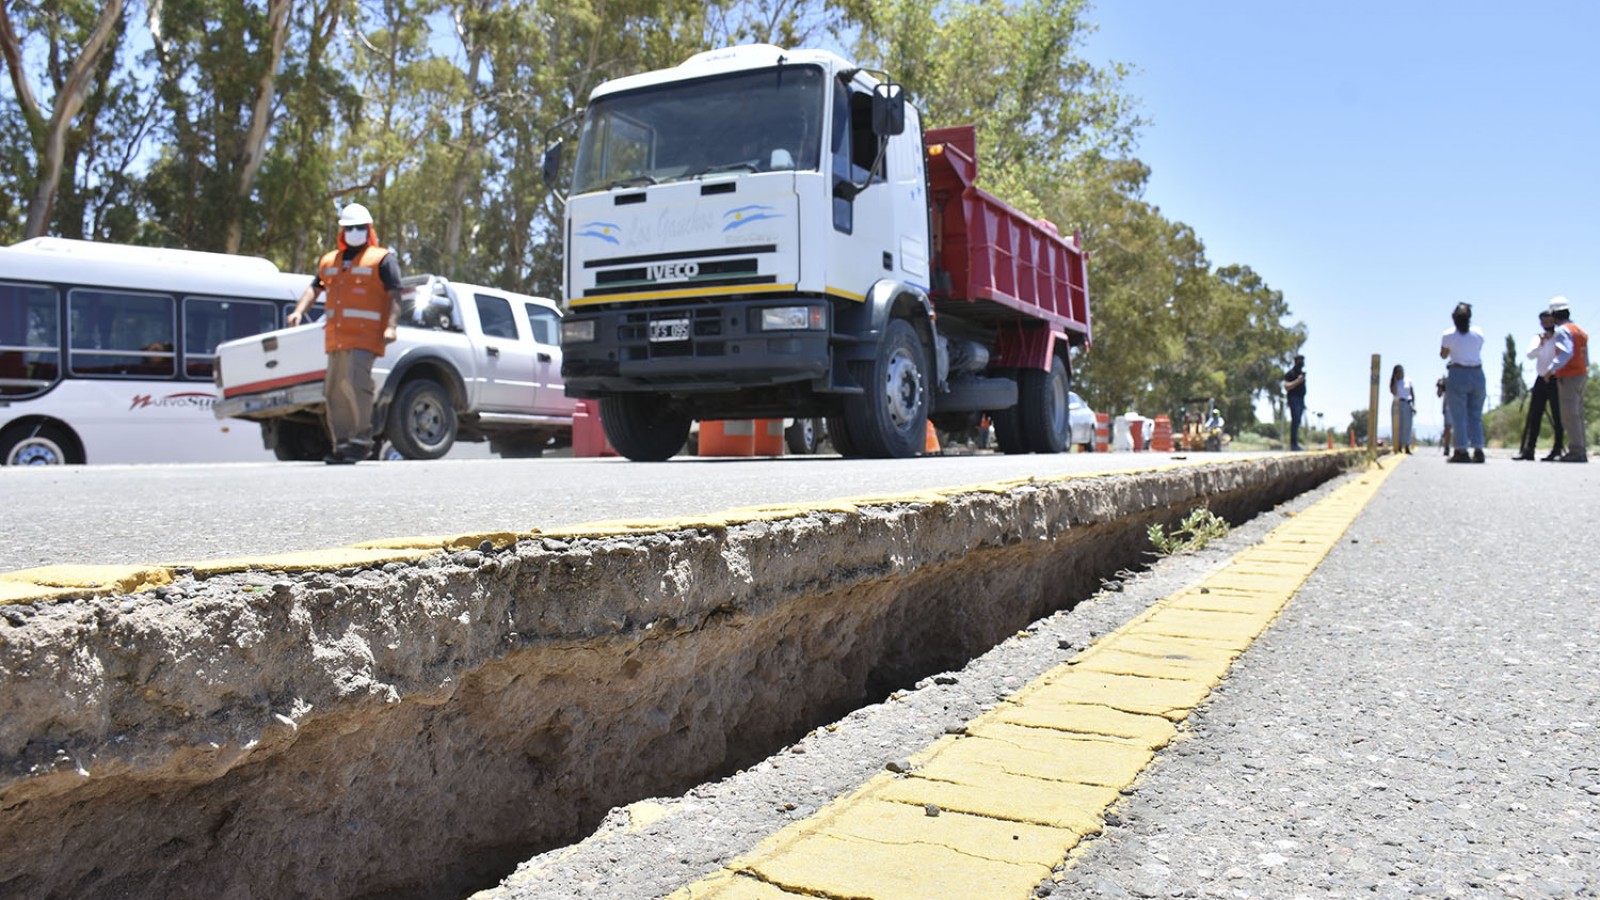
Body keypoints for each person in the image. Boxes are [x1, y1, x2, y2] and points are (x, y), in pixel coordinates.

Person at [286, 202, 403, 464]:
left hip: (365, 337)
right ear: (342, 231)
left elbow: (395, 293)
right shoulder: (329, 261)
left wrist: (391, 326)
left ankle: (361, 441)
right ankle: (343, 444)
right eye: (350, 228)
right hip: (336, 339)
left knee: (355, 383)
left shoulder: (382, 259)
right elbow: (314, 288)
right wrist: (298, 311)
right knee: (333, 391)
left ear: (368, 229)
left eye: (360, 228)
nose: (355, 232)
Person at [1439, 302, 1486, 463]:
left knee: (1459, 415)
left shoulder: (1448, 334)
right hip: (1477, 373)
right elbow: (1478, 348)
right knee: (1475, 415)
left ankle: (1461, 450)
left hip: (1458, 373)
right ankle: (1478, 449)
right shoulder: (1478, 332)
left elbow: (1443, 355)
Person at [1516, 306, 1564, 460]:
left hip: (1555, 379)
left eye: (1549, 320)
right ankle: (1529, 450)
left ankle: (1557, 449)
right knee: (1534, 415)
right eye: (1544, 321)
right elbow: (1530, 355)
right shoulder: (1538, 338)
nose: (1547, 323)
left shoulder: (1560, 336)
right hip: (1541, 378)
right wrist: (1541, 343)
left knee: (1558, 415)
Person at [1547, 298, 1588, 463]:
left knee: (1569, 415)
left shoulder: (1563, 331)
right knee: (1578, 414)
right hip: (1581, 375)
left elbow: (1566, 353)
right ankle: (1581, 449)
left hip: (1569, 376)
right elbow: (1584, 356)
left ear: (1555, 316)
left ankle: (1576, 451)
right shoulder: (1579, 330)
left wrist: (1551, 370)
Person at [1388, 364, 1414, 453]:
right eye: (1398, 371)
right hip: (1397, 403)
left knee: (1407, 426)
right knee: (1397, 425)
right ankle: (1398, 445)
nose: (1401, 373)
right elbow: (1394, 392)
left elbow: (1412, 394)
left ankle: (1407, 446)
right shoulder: (1394, 382)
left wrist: (1414, 405)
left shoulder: (1408, 381)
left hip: (1407, 403)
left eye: (1401, 371)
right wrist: (1395, 380)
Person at [1282, 354, 1306, 451]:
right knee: (1295, 419)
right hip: (1293, 399)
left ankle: (1296, 442)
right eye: (1300, 360)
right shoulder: (1291, 373)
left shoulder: (1302, 373)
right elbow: (1286, 386)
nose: (1302, 362)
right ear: (1296, 361)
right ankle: (1293, 444)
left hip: (1301, 399)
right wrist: (1298, 381)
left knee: (1298, 421)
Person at [1436, 376, 1452, 456]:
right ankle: (1447, 447)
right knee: (1447, 428)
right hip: (1448, 407)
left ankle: (1460, 448)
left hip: (1459, 406)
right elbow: (1439, 394)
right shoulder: (1445, 381)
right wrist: (1440, 386)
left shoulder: (1461, 377)